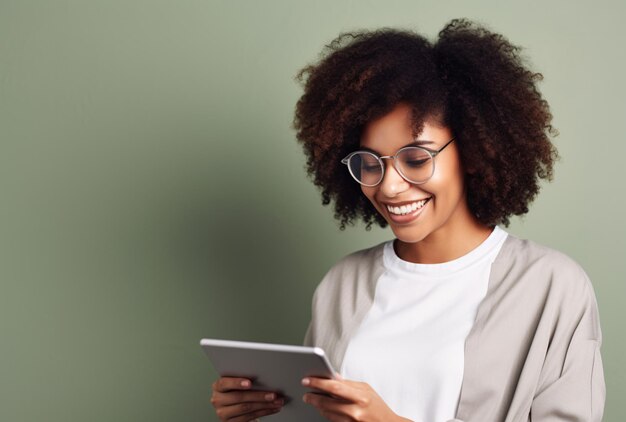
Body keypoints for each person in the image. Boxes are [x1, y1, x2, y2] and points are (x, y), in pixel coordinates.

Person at [210, 18, 605, 422]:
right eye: (369, 163)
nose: (390, 187)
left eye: (416, 159)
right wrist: (261, 411)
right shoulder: (342, 284)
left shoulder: (551, 286)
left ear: (470, 151)